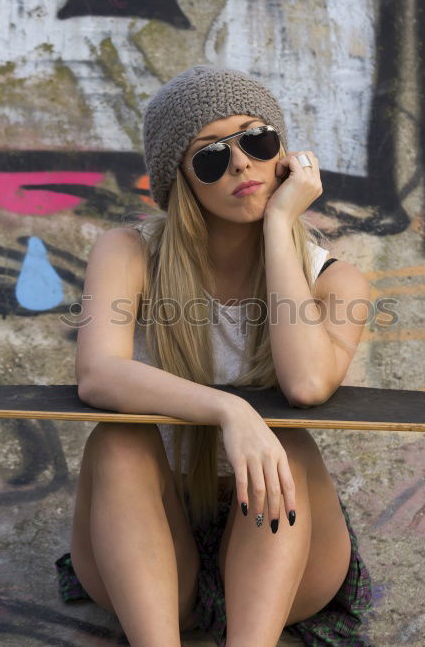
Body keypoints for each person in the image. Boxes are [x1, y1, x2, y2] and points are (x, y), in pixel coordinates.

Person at [54, 65, 374, 646]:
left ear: (284, 154)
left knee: (290, 442)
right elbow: (99, 375)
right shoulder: (128, 253)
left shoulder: (337, 281)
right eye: (209, 157)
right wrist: (232, 411)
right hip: (153, 544)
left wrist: (281, 222)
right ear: (179, 179)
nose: (240, 166)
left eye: (257, 141)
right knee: (118, 439)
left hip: (284, 551)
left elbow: (306, 385)